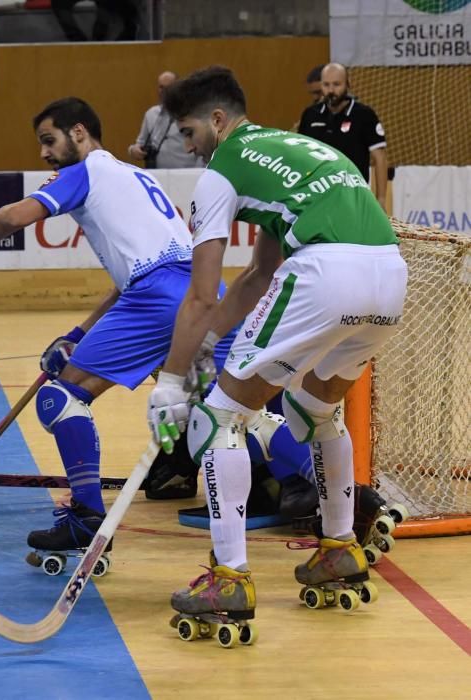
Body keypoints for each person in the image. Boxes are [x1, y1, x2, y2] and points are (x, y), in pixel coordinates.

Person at [0, 97, 313, 562]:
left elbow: (16, 216)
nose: (43, 154)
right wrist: (79, 332)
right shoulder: (136, 177)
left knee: (62, 397)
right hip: (202, 295)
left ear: (79, 133)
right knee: (233, 413)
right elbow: (132, 279)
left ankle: (87, 516)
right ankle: (341, 491)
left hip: (158, 297)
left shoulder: (85, 171)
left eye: (48, 141)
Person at [149, 66, 406, 638]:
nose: (188, 148)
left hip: (327, 273)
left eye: (189, 133)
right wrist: (209, 348)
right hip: (390, 275)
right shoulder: (294, 149)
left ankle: (230, 578)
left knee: (219, 419)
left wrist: (171, 382)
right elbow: (258, 275)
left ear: (218, 120)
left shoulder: (222, 170)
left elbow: (200, 292)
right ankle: (338, 548)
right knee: (313, 412)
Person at [297, 62, 389, 213]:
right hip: (318, 197)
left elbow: (380, 158)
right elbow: (300, 156)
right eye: (326, 85)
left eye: (336, 84)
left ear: (348, 84)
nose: (331, 90)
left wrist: (381, 199)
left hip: (354, 197)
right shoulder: (310, 115)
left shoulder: (364, 115)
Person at [128, 71, 203, 169]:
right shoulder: (151, 114)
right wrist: (133, 150)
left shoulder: (191, 114)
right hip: (157, 176)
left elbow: (201, 148)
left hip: (187, 175)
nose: (164, 92)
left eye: (168, 88)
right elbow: (139, 143)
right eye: (161, 87)